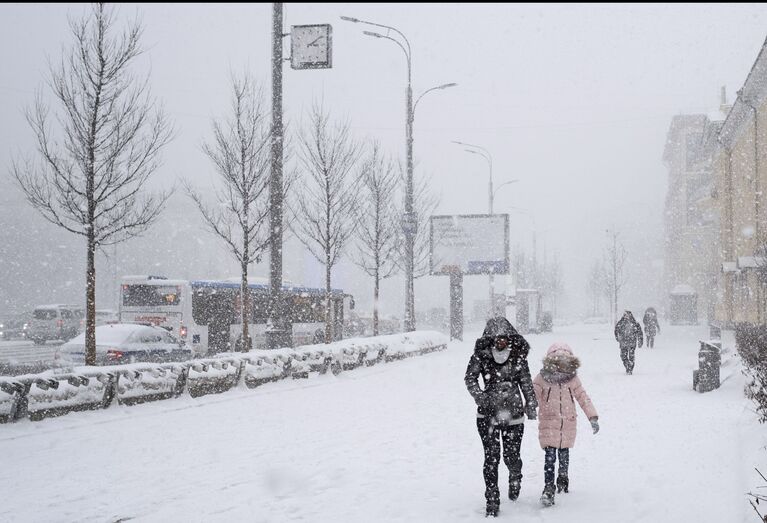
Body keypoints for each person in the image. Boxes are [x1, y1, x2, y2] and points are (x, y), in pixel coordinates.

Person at [464, 316, 538, 517]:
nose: (501, 341)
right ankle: (492, 497)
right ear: (489, 338)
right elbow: (470, 378)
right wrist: (482, 398)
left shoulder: (518, 357)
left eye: (505, 337)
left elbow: (526, 383)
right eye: (497, 337)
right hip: (487, 416)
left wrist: (531, 404)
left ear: (511, 337)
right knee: (491, 457)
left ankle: (515, 476)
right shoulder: (481, 356)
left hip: (514, 415)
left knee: (511, 456)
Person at [532, 343, 599, 507]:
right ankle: (548, 489)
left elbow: (583, 397)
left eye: (564, 361)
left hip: (567, 423)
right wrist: (527, 407)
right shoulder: (542, 378)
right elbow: (532, 394)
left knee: (563, 454)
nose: (560, 364)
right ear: (550, 361)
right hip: (549, 422)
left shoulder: (573, 379)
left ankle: (563, 476)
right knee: (549, 458)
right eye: (557, 360)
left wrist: (592, 416)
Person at [614, 310, 643, 375]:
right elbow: (616, 330)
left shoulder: (635, 323)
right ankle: (628, 366)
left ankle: (630, 369)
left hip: (632, 343)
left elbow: (640, 333)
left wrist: (640, 341)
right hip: (623, 343)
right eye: (625, 315)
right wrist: (617, 338)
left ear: (630, 315)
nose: (626, 316)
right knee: (623, 356)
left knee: (631, 357)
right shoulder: (620, 323)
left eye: (627, 315)